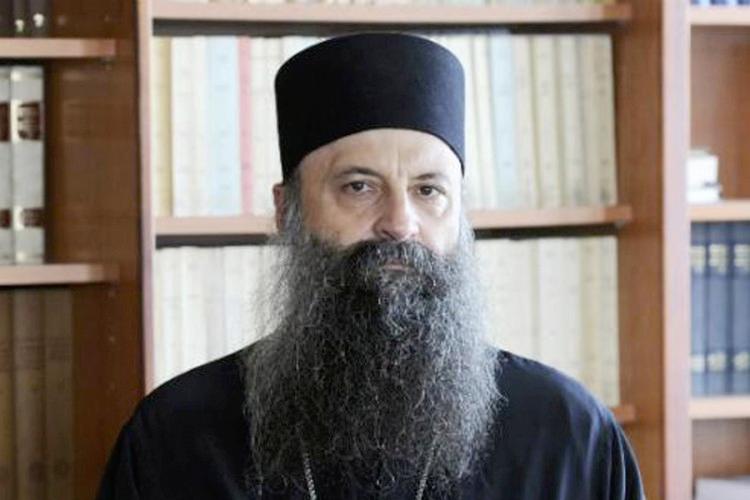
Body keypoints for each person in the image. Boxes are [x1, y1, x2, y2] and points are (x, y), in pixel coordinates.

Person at [97, 32, 645, 499]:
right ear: (286, 211)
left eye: (429, 190)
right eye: (359, 187)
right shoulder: (176, 441)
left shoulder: (570, 438)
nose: (400, 223)